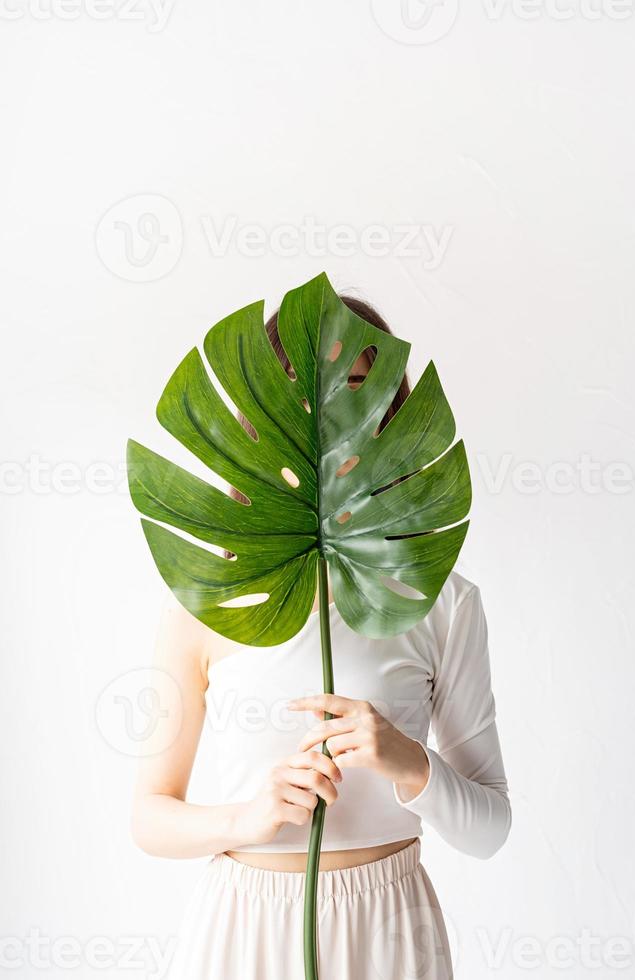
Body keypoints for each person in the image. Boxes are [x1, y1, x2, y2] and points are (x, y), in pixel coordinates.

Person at [131, 295, 512, 979]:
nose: (327, 419)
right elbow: (150, 817)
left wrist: (408, 763)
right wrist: (243, 819)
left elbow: (490, 830)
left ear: (390, 416)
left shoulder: (442, 602)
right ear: (264, 419)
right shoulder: (208, 599)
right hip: (246, 930)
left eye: (357, 391)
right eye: (298, 397)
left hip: (392, 928)